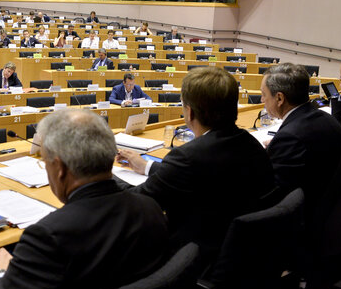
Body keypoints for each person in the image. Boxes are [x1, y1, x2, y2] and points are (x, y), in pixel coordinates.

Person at [0, 109, 168, 289]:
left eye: (45, 162)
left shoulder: (49, 236)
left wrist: (3, 273)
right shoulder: (151, 208)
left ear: (59, 168)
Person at [116, 66, 276, 254]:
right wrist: (147, 166)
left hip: (193, 257)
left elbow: (136, 202)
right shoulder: (252, 144)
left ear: (189, 112)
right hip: (245, 251)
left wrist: (105, 176)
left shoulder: (187, 157)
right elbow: (202, 176)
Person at [261, 63, 341, 197]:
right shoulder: (327, 119)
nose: (262, 99)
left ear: (279, 98)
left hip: (305, 210)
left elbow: (271, 191)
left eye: (263, 94)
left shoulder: (290, 137)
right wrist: (278, 147)